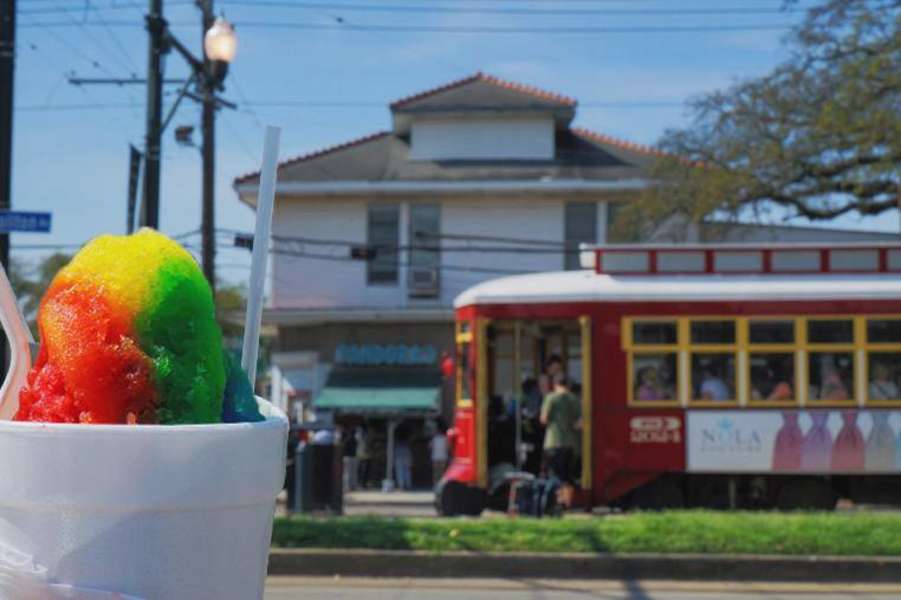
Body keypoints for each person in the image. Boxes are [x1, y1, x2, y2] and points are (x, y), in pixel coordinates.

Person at [540, 373, 581, 487]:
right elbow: (580, 423)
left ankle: (556, 500)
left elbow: (543, 419)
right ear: (568, 385)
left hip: (553, 442)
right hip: (570, 444)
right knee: (566, 475)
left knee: (554, 475)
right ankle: (566, 501)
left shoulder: (550, 398)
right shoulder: (574, 399)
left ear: (554, 384)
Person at [430, 419, 449, 487]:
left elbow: (430, 446)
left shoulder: (434, 438)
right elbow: (448, 447)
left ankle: (436, 485)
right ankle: (442, 486)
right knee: (442, 473)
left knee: (436, 473)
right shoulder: (446, 438)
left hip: (435, 456)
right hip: (443, 457)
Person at [341, 426, 358, 491]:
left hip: (348, 456)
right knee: (350, 473)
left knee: (348, 473)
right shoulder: (352, 439)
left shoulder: (348, 439)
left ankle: (348, 486)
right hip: (350, 456)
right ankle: (350, 486)